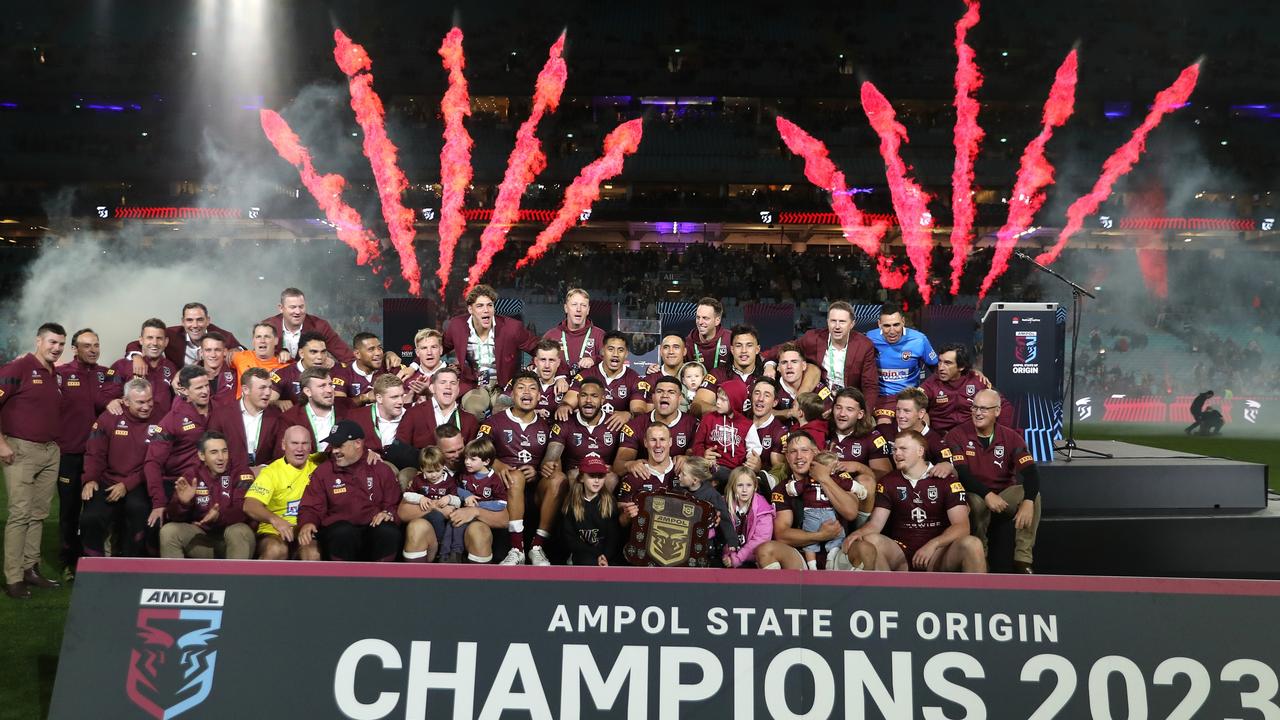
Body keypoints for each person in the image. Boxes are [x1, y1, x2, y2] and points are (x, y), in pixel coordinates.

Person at [844, 429, 985, 573]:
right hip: (901, 552)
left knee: (972, 544)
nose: (897, 454)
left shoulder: (946, 480)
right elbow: (875, 524)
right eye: (895, 449)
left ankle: (979, 596)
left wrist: (933, 544)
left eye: (903, 449)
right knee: (870, 540)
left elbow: (962, 526)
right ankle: (887, 593)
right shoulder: (888, 482)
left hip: (937, 554)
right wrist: (858, 533)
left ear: (920, 451)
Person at [0, 323, 67, 599]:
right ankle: (14, 577)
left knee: (39, 514)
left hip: (50, 451)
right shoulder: (19, 368)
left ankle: (30, 568)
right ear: (38, 340)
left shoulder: (53, 372)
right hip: (21, 450)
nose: (56, 348)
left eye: (61, 344)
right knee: (20, 514)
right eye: (52, 342)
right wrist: (0, 442)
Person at [946, 389, 1041, 573]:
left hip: (1003, 495)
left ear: (997, 411)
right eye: (974, 407)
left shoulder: (1011, 437)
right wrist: (987, 494)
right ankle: (980, 557)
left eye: (984, 409)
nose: (977, 413)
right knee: (975, 501)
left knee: (1033, 496)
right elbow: (962, 473)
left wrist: (1028, 501)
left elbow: (1031, 473)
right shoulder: (956, 435)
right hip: (972, 493)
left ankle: (1023, 560)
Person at [757, 432, 873, 571]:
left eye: (804, 450)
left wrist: (824, 478)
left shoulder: (838, 476)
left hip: (837, 551)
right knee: (765, 550)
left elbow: (850, 513)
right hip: (803, 557)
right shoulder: (783, 489)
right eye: (793, 452)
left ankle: (856, 592)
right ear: (787, 457)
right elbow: (782, 534)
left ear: (816, 452)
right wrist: (820, 535)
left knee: (866, 549)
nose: (799, 456)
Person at [479, 371, 561, 567]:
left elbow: (553, 462)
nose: (527, 392)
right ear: (512, 394)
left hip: (534, 489)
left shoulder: (546, 426)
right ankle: (517, 549)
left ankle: (537, 547)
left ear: (539, 396)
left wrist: (540, 470)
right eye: (521, 388)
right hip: (505, 485)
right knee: (516, 477)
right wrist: (497, 464)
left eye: (533, 388)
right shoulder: (494, 422)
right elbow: (476, 452)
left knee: (559, 479)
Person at [297, 420, 402, 562]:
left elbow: (394, 503)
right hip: (339, 534)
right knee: (343, 532)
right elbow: (310, 506)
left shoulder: (380, 469)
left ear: (358, 443)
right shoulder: (324, 472)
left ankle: (381, 580)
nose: (335, 451)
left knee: (388, 531)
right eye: (333, 446)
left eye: (339, 446)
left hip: (373, 530)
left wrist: (388, 513)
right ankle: (342, 582)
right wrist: (308, 522)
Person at [79, 378, 155, 565]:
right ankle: (94, 565)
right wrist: (90, 479)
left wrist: (127, 485)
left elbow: (155, 464)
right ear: (125, 401)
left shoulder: (161, 421)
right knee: (92, 516)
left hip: (140, 481)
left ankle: (131, 563)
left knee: (137, 509)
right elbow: (95, 452)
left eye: (149, 401)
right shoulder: (109, 418)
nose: (146, 406)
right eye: (140, 402)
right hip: (107, 480)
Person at [54, 327, 108, 580]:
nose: (93, 350)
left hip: (101, 457)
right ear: (74, 349)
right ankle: (70, 561)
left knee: (97, 511)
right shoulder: (61, 374)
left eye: (96, 345)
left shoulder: (107, 375)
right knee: (70, 510)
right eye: (87, 345)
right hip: (70, 455)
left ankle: (97, 557)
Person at [764, 300, 879, 414]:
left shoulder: (864, 346)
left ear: (852, 324)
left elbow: (869, 386)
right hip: (820, 400)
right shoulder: (813, 338)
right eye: (833, 321)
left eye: (842, 322)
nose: (837, 326)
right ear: (827, 322)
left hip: (848, 403)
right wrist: (769, 365)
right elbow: (783, 348)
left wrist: (865, 414)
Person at [159, 432, 256, 560]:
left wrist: (219, 516)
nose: (221, 457)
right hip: (203, 541)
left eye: (224, 451)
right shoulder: (191, 475)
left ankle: (234, 580)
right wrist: (183, 504)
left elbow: (243, 510)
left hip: (235, 541)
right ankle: (175, 580)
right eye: (214, 452)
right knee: (169, 531)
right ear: (202, 455)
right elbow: (173, 516)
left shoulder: (241, 473)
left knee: (238, 531)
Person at [441, 284, 540, 406]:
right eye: (480, 306)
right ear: (470, 309)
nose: (486, 310)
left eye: (489, 305)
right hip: (474, 384)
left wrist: (532, 366)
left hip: (503, 384)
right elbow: (437, 348)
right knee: (474, 409)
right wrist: (414, 366)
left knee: (503, 408)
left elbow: (539, 349)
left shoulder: (512, 327)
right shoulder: (457, 325)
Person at [143, 365, 213, 528]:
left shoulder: (220, 410)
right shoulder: (171, 420)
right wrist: (158, 502)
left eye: (206, 386)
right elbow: (152, 462)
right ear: (185, 390)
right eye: (198, 388)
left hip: (213, 483)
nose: (205, 391)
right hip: (178, 483)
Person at [243, 425, 321, 561]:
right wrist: (276, 520)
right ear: (284, 445)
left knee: (312, 553)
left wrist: (370, 453)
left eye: (304, 443)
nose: (300, 449)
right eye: (294, 443)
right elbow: (250, 505)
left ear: (310, 446)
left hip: (305, 531)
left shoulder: (318, 463)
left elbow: (342, 449)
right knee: (276, 549)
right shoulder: (271, 472)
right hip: (274, 532)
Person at [785, 451, 870, 569]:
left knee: (815, 543)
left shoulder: (812, 480)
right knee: (837, 537)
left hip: (812, 514)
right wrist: (861, 490)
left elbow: (793, 489)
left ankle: (814, 566)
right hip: (824, 513)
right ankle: (829, 558)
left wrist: (791, 486)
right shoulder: (834, 479)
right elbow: (852, 485)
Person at [558, 331, 650, 428]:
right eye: (610, 349)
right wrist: (565, 406)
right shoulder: (585, 375)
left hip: (618, 433)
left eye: (621, 350)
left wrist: (628, 415)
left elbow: (639, 411)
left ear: (626, 354)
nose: (615, 354)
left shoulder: (634, 378)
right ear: (602, 351)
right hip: (587, 431)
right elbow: (568, 402)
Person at [866, 306, 939, 426]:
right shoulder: (869, 338)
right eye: (886, 326)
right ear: (879, 324)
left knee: (923, 424)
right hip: (883, 397)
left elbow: (936, 368)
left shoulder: (919, 340)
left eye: (896, 325)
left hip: (909, 395)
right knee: (884, 424)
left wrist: (971, 373)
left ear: (903, 322)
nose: (892, 331)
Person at [543, 378, 619, 491]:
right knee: (575, 475)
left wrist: (614, 468)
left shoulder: (615, 422)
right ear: (578, 398)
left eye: (594, 396)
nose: (588, 400)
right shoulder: (566, 422)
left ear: (602, 399)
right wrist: (549, 465)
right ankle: (575, 508)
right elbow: (551, 458)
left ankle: (602, 508)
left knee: (611, 478)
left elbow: (623, 460)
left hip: (603, 475)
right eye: (584, 395)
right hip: (573, 478)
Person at [613, 375, 698, 475]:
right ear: (653, 397)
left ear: (680, 399)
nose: (664, 395)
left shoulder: (693, 424)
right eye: (659, 391)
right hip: (645, 480)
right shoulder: (635, 425)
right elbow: (618, 466)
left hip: (680, 482)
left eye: (671, 392)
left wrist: (689, 459)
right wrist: (629, 465)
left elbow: (700, 461)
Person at [919, 343, 1009, 435]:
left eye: (947, 363)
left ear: (961, 367)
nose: (941, 368)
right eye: (940, 362)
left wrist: (999, 434)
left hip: (970, 439)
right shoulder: (931, 383)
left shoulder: (977, 381)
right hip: (940, 438)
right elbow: (914, 404)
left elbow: (1003, 405)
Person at [123, 302, 244, 370]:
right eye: (190, 320)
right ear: (183, 322)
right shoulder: (171, 334)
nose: (195, 325)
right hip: (178, 385)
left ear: (208, 320)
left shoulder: (223, 336)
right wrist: (137, 357)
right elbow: (135, 344)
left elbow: (242, 350)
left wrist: (236, 350)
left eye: (200, 320)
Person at [207, 367, 286, 470]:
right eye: (262, 388)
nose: (268, 393)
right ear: (246, 389)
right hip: (230, 475)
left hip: (265, 477)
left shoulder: (277, 416)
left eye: (270, 387)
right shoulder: (221, 415)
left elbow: (280, 454)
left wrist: (263, 469)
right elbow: (211, 450)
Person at [102, 318, 178, 418]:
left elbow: (178, 401)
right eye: (150, 338)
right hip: (130, 429)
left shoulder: (171, 367)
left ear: (166, 341)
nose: (154, 343)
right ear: (141, 340)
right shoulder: (122, 365)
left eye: (159, 338)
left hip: (162, 429)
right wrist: (110, 402)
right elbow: (104, 395)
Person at [399, 447, 464, 563]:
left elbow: (458, 502)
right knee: (433, 516)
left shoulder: (449, 481)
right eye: (429, 472)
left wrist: (449, 498)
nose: (434, 475)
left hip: (444, 519)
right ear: (422, 468)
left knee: (450, 521)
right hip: (425, 516)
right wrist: (420, 498)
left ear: (443, 466)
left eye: (437, 470)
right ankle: (437, 545)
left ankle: (445, 549)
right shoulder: (418, 480)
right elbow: (407, 496)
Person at [396, 366, 480, 449]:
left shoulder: (470, 421)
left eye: (453, 383)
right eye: (443, 382)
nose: (448, 386)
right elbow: (400, 449)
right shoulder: (413, 414)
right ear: (432, 388)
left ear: (458, 389)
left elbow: (473, 457)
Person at [262, 287, 354, 364]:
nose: (297, 312)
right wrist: (276, 354)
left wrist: (334, 366)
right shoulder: (267, 326)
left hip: (311, 379)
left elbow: (348, 358)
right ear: (281, 308)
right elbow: (258, 356)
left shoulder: (320, 326)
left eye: (301, 307)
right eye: (293, 307)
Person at [560, 457, 623, 566]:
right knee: (587, 561)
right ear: (581, 478)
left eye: (601, 476)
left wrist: (605, 556)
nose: (597, 480)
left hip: (606, 555)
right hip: (582, 554)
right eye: (592, 476)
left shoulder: (609, 502)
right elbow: (569, 538)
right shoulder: (571, 503)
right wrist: (596, 555)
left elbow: (613, 536)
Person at [674, 456, 739, 557]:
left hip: (704, 542)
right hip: (680, 539)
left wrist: (732, 540)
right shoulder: (677, 491)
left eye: (683, 474)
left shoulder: (711, 495)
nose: (679, 476)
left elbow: (724, 519)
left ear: (694, 480)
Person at [347, 374, 415, 469]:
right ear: (379, 398)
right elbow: (343, 447)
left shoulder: (413, 418)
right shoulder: (356, 417)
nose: (400, 401)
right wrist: (365, 452)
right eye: (394, 397)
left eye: (402, 396)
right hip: (364, 471)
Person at [826, 387, 894, 480]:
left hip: (855, 492)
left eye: (849, 409)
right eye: (838, 407)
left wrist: (859, 467)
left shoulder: (872, 438)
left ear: (860, 414)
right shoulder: (822, 430)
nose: (842, 413)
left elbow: (885, 476)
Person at [690, 386, 751, 482]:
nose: (718, 402)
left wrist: (750, 461)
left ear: (735, 402)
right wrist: (703, 454)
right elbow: (697, 444)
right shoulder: (708, 418)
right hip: (709, 465)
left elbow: (753, 449)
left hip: (735, 470)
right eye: (718, 398)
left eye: (723, 400)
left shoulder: (747, 424)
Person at [618, 424, 681, 514]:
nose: (658, 445)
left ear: (670, 442)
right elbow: (621, 522)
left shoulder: (682, 471)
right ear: (645, 443)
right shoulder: (633, 477)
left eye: (662, 439)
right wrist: (627, 515)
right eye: (653, 440)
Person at [543, 288, 606, 376]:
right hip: (557, 387)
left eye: (583, 305)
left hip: (588, 387)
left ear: (588, 310)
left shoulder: (599, 335)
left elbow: (609, 359)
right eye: (574, 304)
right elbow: (538, 362)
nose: (578, 309)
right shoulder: (551, 335)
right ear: (566, 308)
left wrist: (594, 359)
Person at [722, 466, 776, 569]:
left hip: (753, 559)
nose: (744, 490)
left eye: (749, 485)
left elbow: (760, 540)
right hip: (730, 556)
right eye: (740, 485)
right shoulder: (724, 504)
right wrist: (728, 555)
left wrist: (737, 558)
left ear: (755, 487)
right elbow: (722, 535)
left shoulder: (763, 509)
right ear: (733, 487)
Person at [890, 387, 955, 470]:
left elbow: (952, 472)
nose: (900, 415)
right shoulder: (885, 431)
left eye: (907, 411)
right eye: (898, 410)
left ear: (921, 413)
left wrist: (947, 466)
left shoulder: (935, 441)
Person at [280, 368, 340, 452]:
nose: (329, 390)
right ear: (308, 391)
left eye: (330, 384)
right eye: (322, 386)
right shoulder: (290, 418)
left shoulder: (348, 408)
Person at [269, 332, 332, 409]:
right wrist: (277, 403)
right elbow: (267, 401)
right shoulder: (283, 374)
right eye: (313, 352)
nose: (320, 357)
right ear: (301, 353)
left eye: (323, 352)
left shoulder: (333, 372)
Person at [774, 343, 832, 426]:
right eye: (784, 362)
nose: (789, 366)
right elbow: (761, 414)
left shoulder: (818, 389)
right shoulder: (772, 389)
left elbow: (829, 415)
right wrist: (789, 413)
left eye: (794, 362)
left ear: (804, 366)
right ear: (778, 368)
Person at [332, 332, 393, 412]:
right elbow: (339, 407)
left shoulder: (389, 367)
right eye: (371, 349)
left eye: (379, 348)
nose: (378, 353)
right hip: (356, 422)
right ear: (357, 354)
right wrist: (364, 398)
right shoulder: (343, 374)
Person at [229, 323, 288, 399]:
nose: (262, 341)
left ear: (276, 341)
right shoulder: (240, 357)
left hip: (269, 408)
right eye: (258, 337)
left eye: (267, 337)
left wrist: (278, 403)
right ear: (253, 341)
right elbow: (215, 355)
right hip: (240, 408)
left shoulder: (286, 366)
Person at [398, 328, 446, 405]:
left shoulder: (454, 374)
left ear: (441, 350)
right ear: (417, 352)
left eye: (433, 347)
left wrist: (429, 394)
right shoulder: (406, 377)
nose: (429, 352)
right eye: (424, 348)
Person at [523, 339, 568, 419]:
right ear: (536, 361)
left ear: (558, 363)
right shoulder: (521, 381)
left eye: (551, 360)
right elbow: (500, 408)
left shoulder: (567, 384)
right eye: (543, 360)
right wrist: (533, 413)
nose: (547, 365)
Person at [684, 297, 732, 370]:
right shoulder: (688, 343)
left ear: (717, 320)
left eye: (705, 318)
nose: (700, 322)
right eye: (698, 317)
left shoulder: (730, 339)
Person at [197, 332, 238, 406]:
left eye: (217, 350)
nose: (213, 355)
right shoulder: (189, 378)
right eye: (208, 350)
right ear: (201, 353)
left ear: (225, 352)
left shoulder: (237, 376)